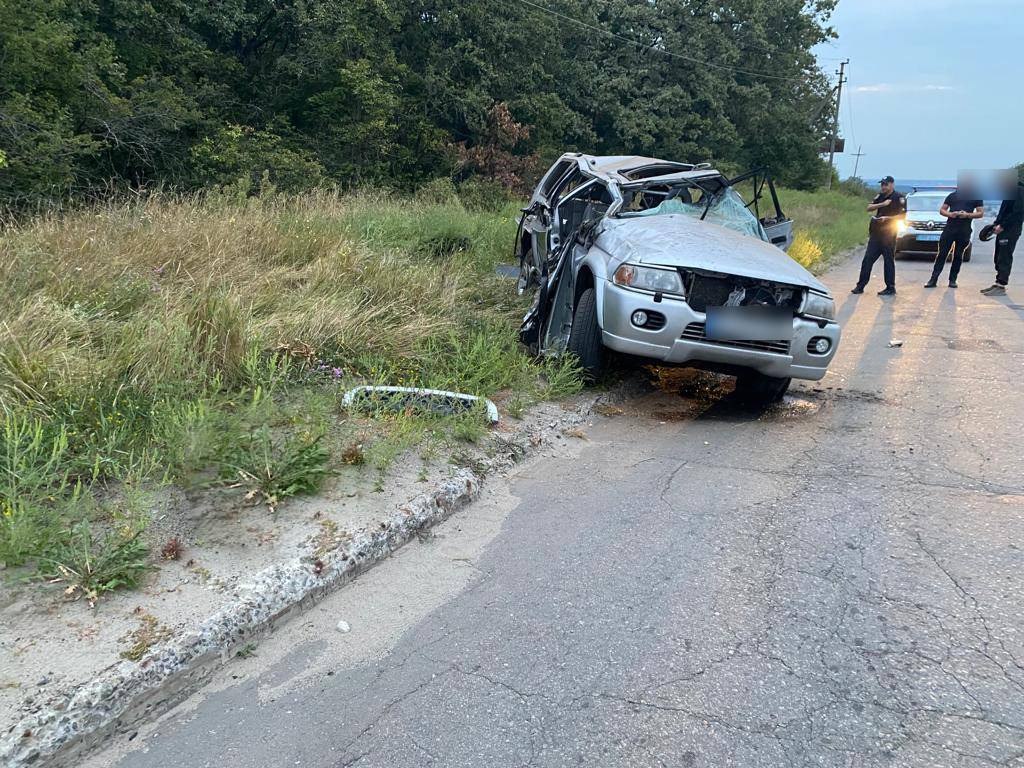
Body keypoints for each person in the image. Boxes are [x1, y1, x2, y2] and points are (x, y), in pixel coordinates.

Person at [852, 176, 906, 296]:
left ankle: (890, 287)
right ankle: (860, 286)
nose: (883, 187)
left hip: (889, 234)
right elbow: (869, 208)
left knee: (888, 261)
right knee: (867, 260)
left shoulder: (899, 197)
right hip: (876, 234)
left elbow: (902, 217)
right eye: (882, 184)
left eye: (886, 184)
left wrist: (887, 218)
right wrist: (882, 204)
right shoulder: (880, 196)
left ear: (892, 184)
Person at [924, 188, 983, 288]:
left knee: (958, 255)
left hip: (964, 230)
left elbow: (980, 213)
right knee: (942, 254)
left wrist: (967, 215)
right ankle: (933, 279)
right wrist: (951, 214)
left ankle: (952, 280)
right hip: (949, 230)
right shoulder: (952, 196)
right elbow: (942, 210)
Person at [981, 179, 1024, 296]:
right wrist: (995, 224)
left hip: (1010, 230)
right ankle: (998, 282)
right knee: (998, 256)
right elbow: (1004, 212)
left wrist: (1003, 225)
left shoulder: (1019, 190)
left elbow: (1018, 212)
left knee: (1005, 256)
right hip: (1003, 229)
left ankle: (1001, 285)